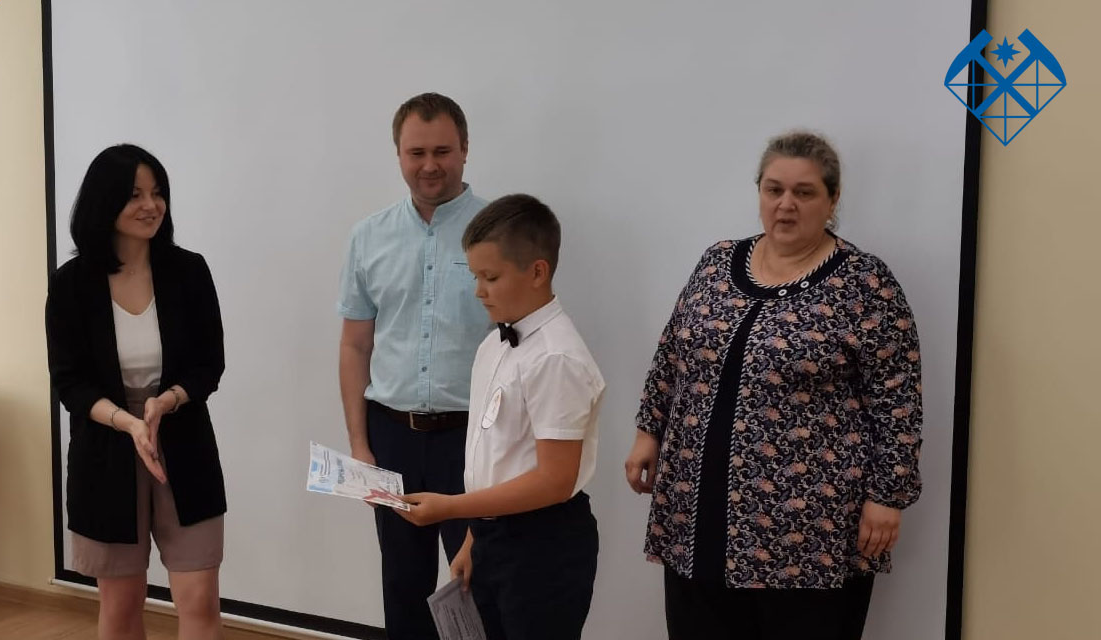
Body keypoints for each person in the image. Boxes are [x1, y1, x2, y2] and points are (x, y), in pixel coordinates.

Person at [625, 131, 924, 640]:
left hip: (808, 530)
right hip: (696, 511)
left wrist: (887, 496)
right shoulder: (717, 262)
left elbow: (898, 399)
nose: (786, 204)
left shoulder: (865, 283)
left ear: (832, 199)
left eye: (804, 192)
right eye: (774, 189)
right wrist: (647, 433)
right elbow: (672, 352)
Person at [398, 194, 605, 640]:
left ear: (537, 272)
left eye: (490, 277)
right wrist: (473, 539)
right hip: (494, 536)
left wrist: (450, 508)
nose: (479, 291)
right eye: (475, 276)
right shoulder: (494, 344)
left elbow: (555, 480)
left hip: (542, 545)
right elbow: (496, 456)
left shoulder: (555, 358)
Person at [46, 144, 226, 640]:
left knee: (200, 599)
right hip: (106, 448)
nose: (151, 205)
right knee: (122, 605)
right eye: (134, 195)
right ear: (104, 202)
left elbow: (209, 365)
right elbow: (69, 381)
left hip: (182, 441)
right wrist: (129, 423)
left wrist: (165, 401)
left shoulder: (189, 271)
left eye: (158, 193)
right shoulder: (71, 284)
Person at [336, 92, 493, 640]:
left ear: (465, 149)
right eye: (416, 152)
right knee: (403, 590)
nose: (430, 165)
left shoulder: (497, 233)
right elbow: (355, 347)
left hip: (473, 439)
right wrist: (360, 446)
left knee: (479, 585)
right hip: (391, 437)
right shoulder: (368, 236)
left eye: (442, 151)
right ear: (398, 154)